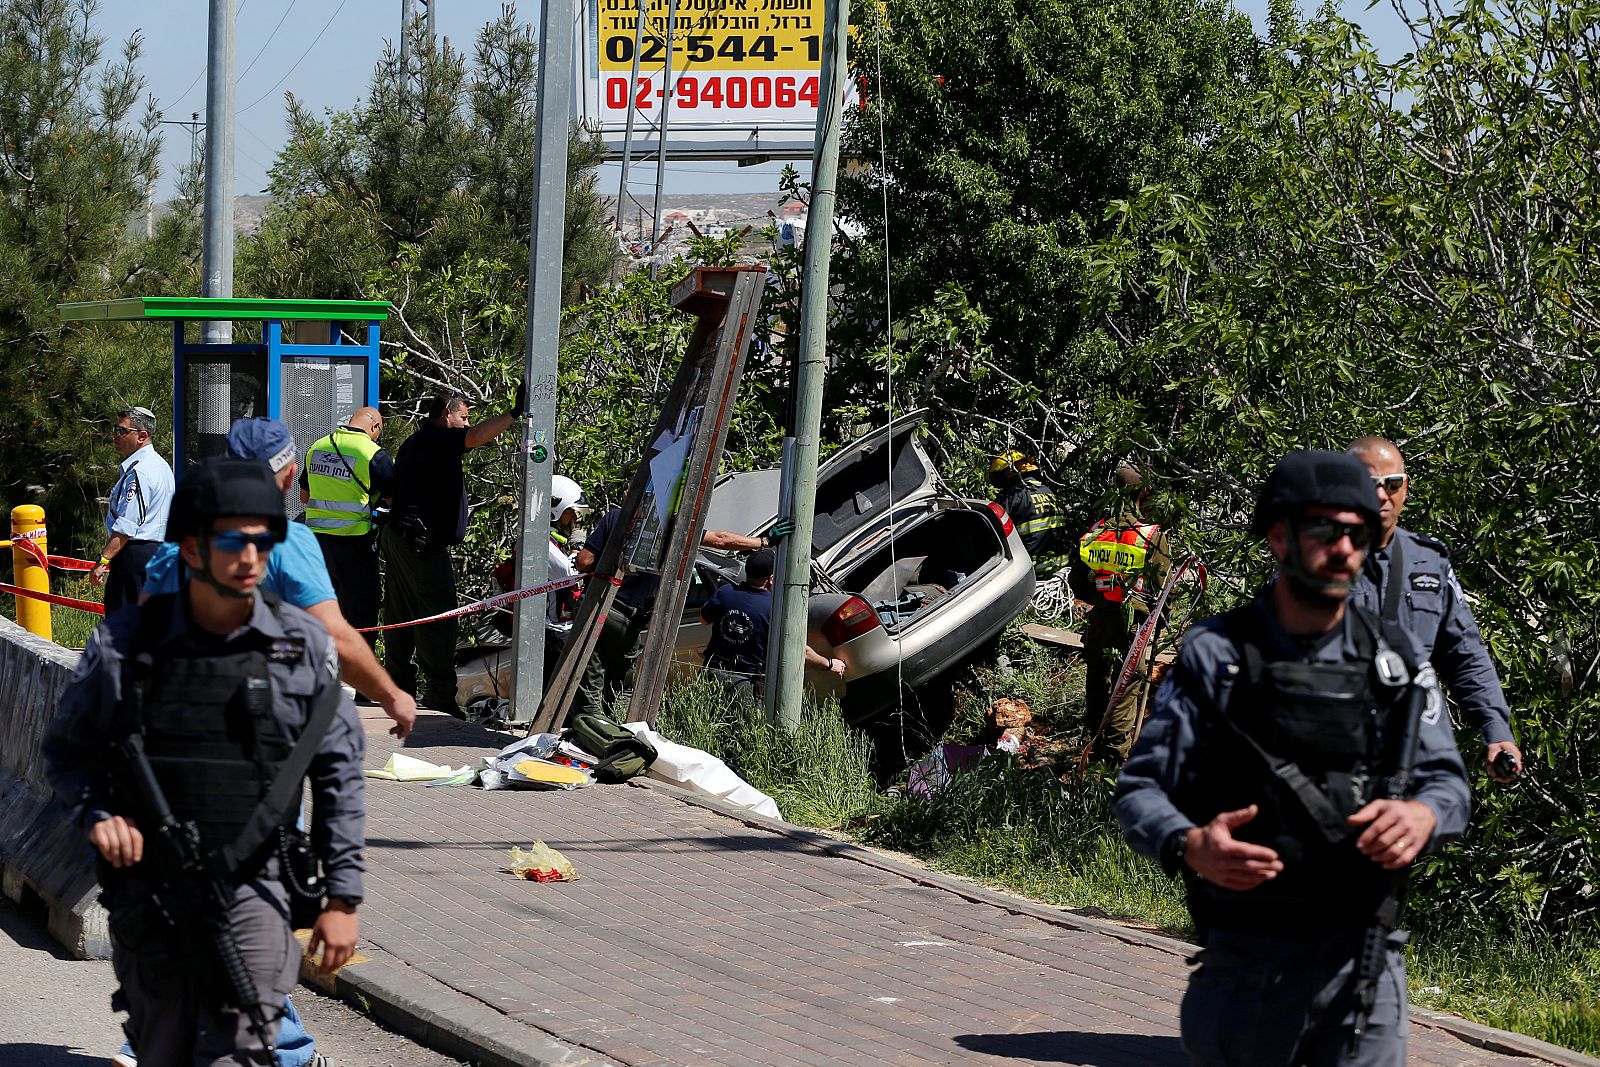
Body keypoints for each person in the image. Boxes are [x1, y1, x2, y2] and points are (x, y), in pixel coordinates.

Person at [1114, 449, 1470, 1066]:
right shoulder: (1217, 656)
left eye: (1357, 533)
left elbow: (1448, 783)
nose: (1343, 549)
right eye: (1325, 531)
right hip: (1247, 965)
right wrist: (1188, 843)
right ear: (1280, 537)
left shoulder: (1398, 661)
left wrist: (1424, 817)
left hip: (1364, 973)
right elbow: (1140, 789)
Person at [44, 457, 366, 1065]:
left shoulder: (299, 649)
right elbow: (68, 750)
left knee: (238, 1049)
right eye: (231, 540)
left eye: (263, 540)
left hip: (256, 888)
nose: (250, 556)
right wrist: (98, 815)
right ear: (190, 549)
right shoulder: (128, 643)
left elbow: (340, 776)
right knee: (162, 1045)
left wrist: (342, 901)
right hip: (152, 894)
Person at [143, 418, 417, 740]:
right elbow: (336, 636)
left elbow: (141, 629)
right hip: (257, 726)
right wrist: (390, 696)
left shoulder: (177, 544)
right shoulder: (290, 543)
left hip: (175, 722)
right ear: (288, 476)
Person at [1347, 436, 1523, 781]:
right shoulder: (1313, 562)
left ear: (1405, 487)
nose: (1383, 496)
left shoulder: (1428, 561)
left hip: (1412, 750)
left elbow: (1463, 652)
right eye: (1369, 485)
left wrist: (1496, 731)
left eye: (1392, 484)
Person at [571, 504, 787, 720]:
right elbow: (720, 539)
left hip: (599, 604)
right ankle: (617, 727)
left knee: (591, 673)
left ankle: (587, 722)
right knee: (622, 680)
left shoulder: (616, 517)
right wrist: (765, 541)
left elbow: (584, 561)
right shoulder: (674, 527)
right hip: (630, 616)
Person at [382, 388, 521, 717]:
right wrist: (514, 413)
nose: (465, 423)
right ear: (447, 415)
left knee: (401, 613)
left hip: (401, 537)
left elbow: (391, 495)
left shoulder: (415, 442)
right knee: (438, 617)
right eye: (463, 416)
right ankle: (439, 693)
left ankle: (398, 685)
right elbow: (474, 437)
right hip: (421, 545)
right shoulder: (438, 438)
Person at [1075, 461, 1171, 760]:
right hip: (1134, 623)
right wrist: (1161, 617)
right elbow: (1162, 585)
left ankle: (1095, 740)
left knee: (1097, 675)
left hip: (1101, 616)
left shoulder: (1095, 532)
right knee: (1128, 680)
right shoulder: (1149, 535)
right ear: (1142, 493)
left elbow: (1078, 581)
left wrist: (1101, 596)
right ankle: (1115, 752)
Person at [300, 406, 394, 646]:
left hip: (316, 545)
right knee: (362, 614)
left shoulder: (318, 446)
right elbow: (394, 501)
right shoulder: (374, 454)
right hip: (354, 545)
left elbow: (304, 496)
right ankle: (360, 677)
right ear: (375, 427)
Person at [700, 548, 845, 702]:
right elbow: (798, 650)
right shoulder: (775, 608)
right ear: (771, 579)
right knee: (744, 724)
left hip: (711, 675)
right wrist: (829, 664)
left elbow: (703, 619)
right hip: (746, 684)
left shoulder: (724, 592)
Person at [89, 406, 175, 615]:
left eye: (121, 431)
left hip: (135, 557)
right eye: (114, 429)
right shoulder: (161, 466)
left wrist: (102, 560)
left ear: (142, 436)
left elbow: (127, 526)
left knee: (123, 627)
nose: (114, 435)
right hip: (160, 554)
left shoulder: (140, 472)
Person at [987, 450, 1074, 577]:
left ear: (1009, 472)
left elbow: (992, 536)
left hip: (1032, 572)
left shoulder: (1011, 497)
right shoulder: (1047, 491)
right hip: (1062, 568)